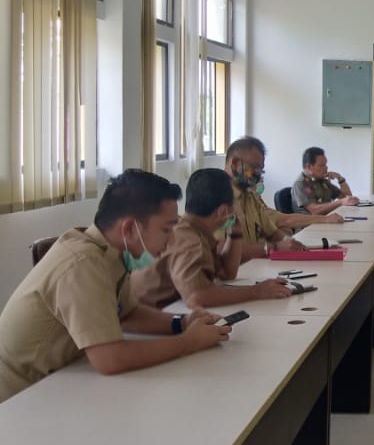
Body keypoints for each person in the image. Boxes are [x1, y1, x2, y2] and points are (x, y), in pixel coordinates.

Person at [0, 170, 231, 403]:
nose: (172, 240)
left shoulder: (110, 254)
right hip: (18, 398)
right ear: (130, 229)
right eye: (166, 229)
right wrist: (189, 342)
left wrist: (181, 323)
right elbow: (110, 359)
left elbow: (127, 314)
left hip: (61, 379)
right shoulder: (83, 264)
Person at [132, 169, 293, 309]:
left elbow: (227, 273)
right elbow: (197, 296)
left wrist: (235, 233)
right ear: (223, 211)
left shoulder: (197, 230)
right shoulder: (190, 240)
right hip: (148, 319)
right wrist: (257, 292)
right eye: (233, 206)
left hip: (171, 309)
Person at [224, 136, 312, 261]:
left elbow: (272, 233)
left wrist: (291, 243)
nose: (258, 174)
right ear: (235, 163)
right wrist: (273, 247)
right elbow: (220, 249)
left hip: (254, 267)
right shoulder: (216, 197)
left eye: (261, 170)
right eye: (255, 167)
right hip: (232, 271)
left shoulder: (250, 197)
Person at [292, 146, 359, 215]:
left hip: (328, 218)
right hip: (312, 221)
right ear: (309, 167)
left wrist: (340, 179)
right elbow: (314, 211)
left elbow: (348, 198)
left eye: (326, 164)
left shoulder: (323, 181)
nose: (326, 167)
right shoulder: (301, 183)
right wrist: (340, 202)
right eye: (322, 165)